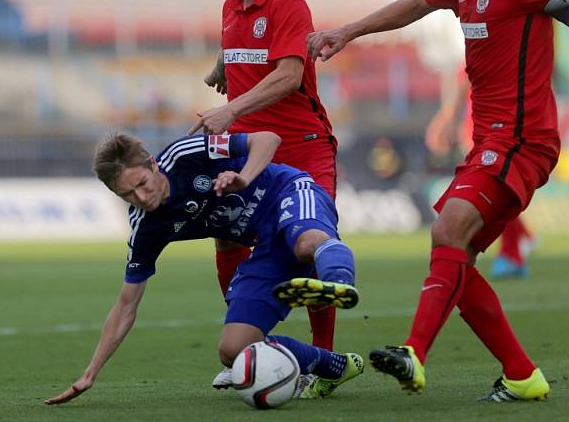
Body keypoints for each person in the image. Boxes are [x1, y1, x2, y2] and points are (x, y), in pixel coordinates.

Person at [307, 0, 569, 402]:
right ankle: (522, 375)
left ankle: (414, 351)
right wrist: (348, 31)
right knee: (455, 255)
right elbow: (415, 4)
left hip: (523, 139)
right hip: (491, 141)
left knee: (448, 229)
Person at [44, 131, 363, 405]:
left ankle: (337, 281)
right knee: (234, 350)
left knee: (306, 244)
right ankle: (334, 366)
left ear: (153, 164)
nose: (141, 197)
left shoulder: (184, 155)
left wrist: (244, 178)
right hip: (264, 248)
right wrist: (90, 374)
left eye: (141, 183)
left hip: (287, 193)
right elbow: (126, 305)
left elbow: (268, 139)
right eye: (128, 194)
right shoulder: (145, 228)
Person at [189, 0, 340, 386]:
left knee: (308, 249)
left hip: (303, 147)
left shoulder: (290, 5)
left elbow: (290, 73)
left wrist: (231, 110)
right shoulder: (231, 6)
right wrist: (221, 69)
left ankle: (324, 363)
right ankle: (247, 356)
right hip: (253, 151)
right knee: (227, 237)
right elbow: (238, 46)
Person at [426, 64, 536, 279]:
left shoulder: (484, 40)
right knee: (495, 186)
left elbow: (463, 82)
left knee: (491, 187)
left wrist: (444, 120)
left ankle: (512, 250)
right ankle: (518, 242)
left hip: (486, 126)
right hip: (492, 124)